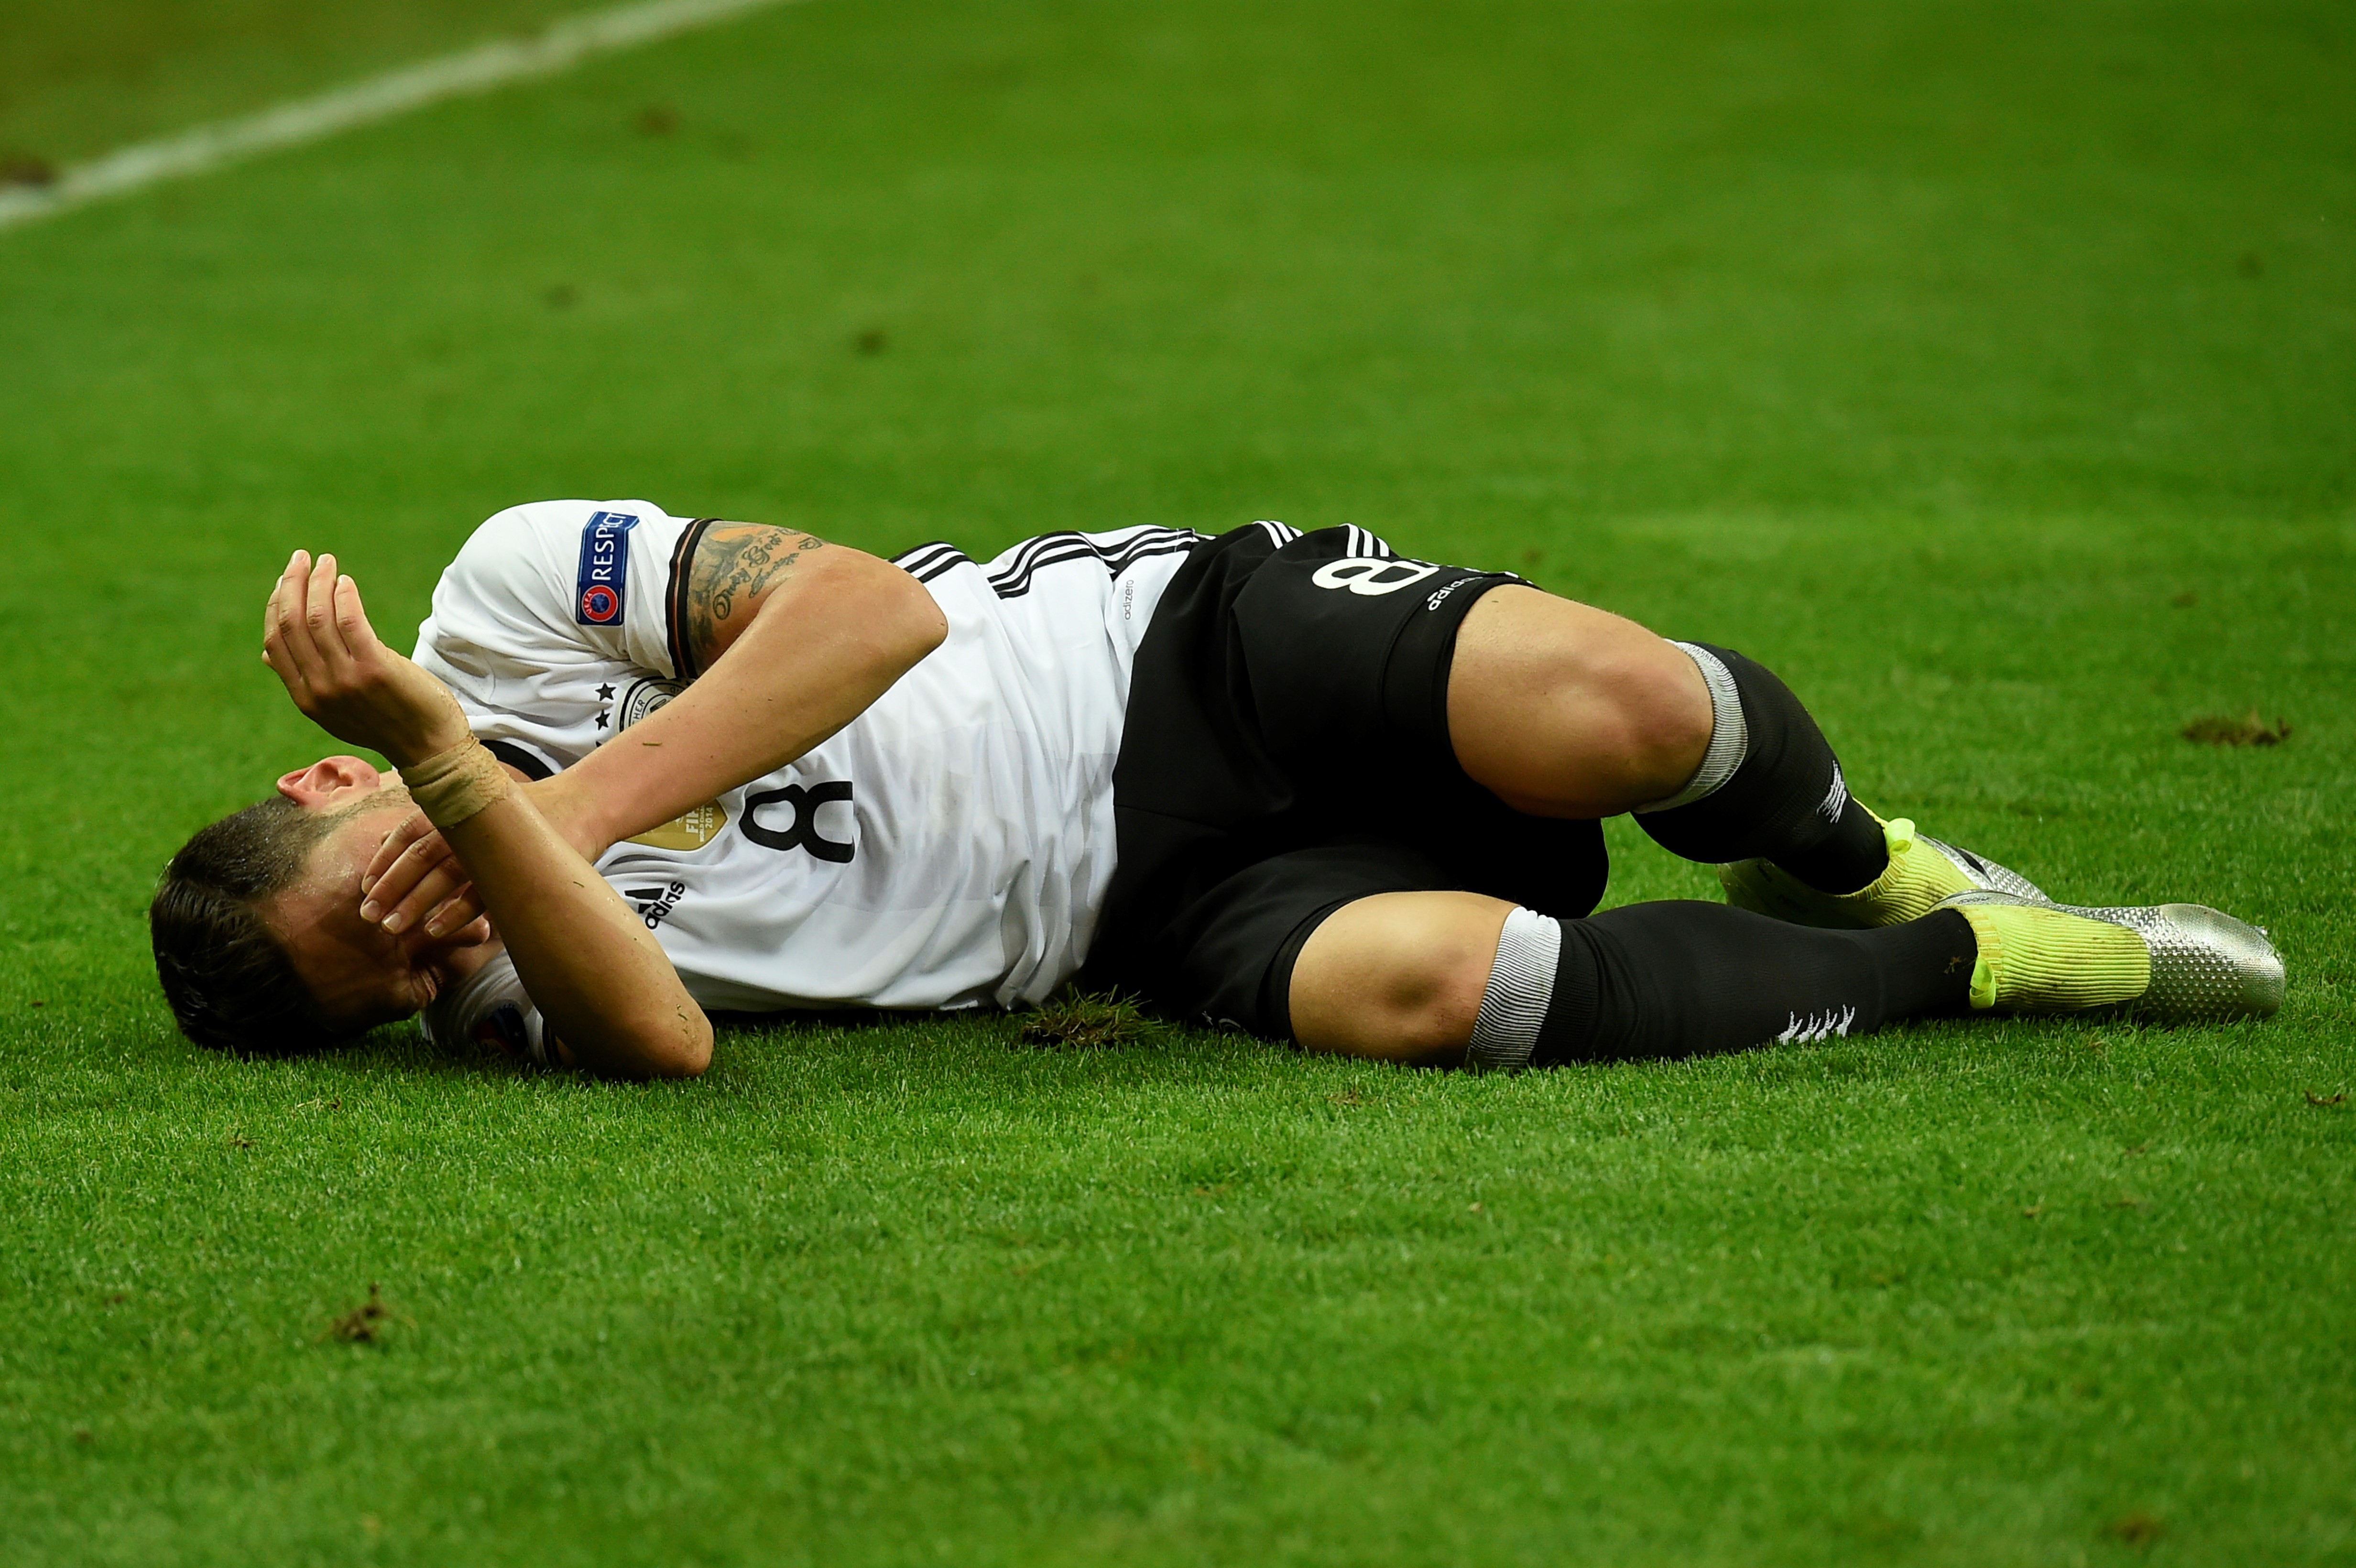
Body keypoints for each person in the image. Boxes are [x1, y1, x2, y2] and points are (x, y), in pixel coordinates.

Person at [150, 502, 2283, 1078]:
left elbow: (871, 621)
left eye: (383, 884)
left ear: (328, 763)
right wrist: (487, 827)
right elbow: (672, 1037)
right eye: (392, 980)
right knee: (1458, 992)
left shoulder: (514, 605)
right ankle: (1980, 958)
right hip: (1132, 921)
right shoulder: (519, 981)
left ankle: (1857, 857)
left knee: (1631, 712)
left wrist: (530, 783)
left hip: (1171, 648)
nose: (434, 928)